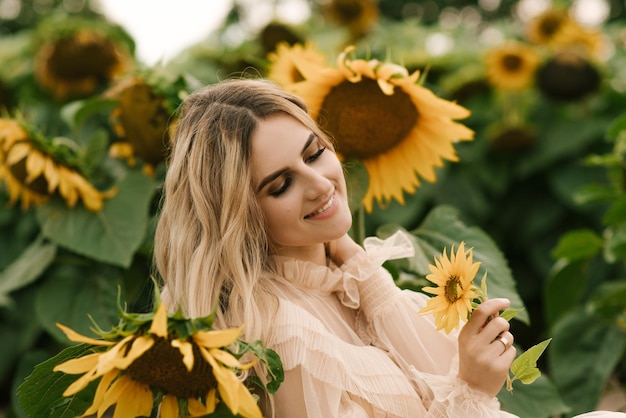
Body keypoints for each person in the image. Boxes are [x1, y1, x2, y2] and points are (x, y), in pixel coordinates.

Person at [153, 78, 625, 417]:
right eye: (281, 185)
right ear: (238, 215)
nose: (321, 184)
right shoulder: (284, 335)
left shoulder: (359, 280)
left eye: (315, 152)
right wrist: (473, 392)